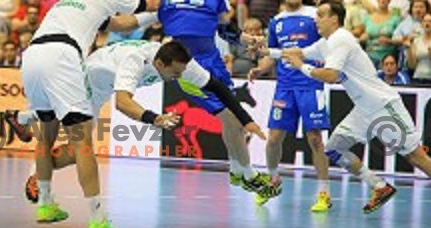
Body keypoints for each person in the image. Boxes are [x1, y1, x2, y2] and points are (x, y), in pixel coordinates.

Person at [272, 0, 431, 225]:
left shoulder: (341, 39)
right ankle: (379, 186)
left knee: (415, 157)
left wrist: (301, 66)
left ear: (334, 19)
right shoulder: (326, 42)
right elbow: (295, 51)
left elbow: (329, 76)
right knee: (333, 149)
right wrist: (263, 47)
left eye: (320, 15)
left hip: (382, 106)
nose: (315, 19)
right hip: (363, 109)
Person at [122, 0, 279, 201]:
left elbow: (225, 29)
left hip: (213, 58)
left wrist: (247, 40)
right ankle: (248, 175)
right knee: (230, 117)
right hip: (185, 63)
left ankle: (236, 171)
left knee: (234, 120)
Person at [14, 39, 264, 200]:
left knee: (76, 146)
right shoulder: (136, 61)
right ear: (158, 63)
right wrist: (155, 119)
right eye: (174, 73)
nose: (178, 77)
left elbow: (217, 86)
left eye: (181, 72)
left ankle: (24, 119)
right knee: (81, 146)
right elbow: (122, 103)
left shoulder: (180, 63)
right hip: (89, 80)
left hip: (107, 80)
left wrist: (246, 119)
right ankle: (37, 164)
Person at [19, 0, 160, 228]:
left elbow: (119, 25)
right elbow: (145, 5)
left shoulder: (66, 0)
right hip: (62, 56)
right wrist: (162, 7)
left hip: (32, 55)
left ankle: (46, 205)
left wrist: (153, 17)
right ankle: (97, 219)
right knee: (82, 141)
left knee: (45, 136)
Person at [246, 0, 332, 211]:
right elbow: (271, 53)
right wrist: (260, 68)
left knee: (315, 139)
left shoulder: (315, 15)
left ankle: (324, 193)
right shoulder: (276, 22)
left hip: (311, 84)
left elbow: (328, 43)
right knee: (273, 139)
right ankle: (273, 181)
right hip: (284, 86)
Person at [406, 13, 431, 85]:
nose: (427, 23)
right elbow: (412, 65)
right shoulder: (416, 40)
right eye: (424, 21)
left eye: (430, 21)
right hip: (418, 77)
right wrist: (409, 48)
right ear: (421, 24)